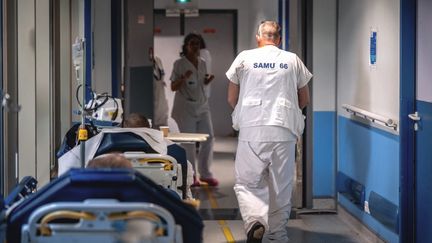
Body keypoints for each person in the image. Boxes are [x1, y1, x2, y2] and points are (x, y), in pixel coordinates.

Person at [226, 21, 312, 243]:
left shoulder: (244, 58)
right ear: (279, 39)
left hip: (252, 130)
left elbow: (231, 98)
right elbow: (304, 99)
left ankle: (255, 221)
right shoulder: (293, 60)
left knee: (247, 182)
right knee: (280, 186)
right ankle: (277, 235)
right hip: (283, 131)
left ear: (258, 37)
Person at [170, 33, 218, 187]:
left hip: (202, 105)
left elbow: (200, 82)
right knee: (189, 143)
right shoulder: (179, 64)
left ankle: (205, 173)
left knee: (209, 137)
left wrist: (207, 80)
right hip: (185, 107)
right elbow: (173, 87)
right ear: (186, 46)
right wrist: (183, 78)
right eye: (192, 43)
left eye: (198, 44)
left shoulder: (202, 62)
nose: (195, 46)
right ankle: (191, 176)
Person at [149, 47, 169, 129]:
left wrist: (161, 82)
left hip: (161, 99)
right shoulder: (143, 63)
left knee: (163, 127)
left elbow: (160, 77)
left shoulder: (158, 60)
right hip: (152, 99)